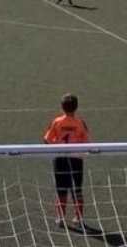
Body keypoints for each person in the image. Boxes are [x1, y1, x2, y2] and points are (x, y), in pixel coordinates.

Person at [43, 93, 91, 228]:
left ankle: (61, 217)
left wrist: (54, 148)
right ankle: (79, 218)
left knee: (61, 189)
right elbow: (86, 142)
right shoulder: (80, 123)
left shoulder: (57, 122)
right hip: (76, 159)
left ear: (62, 107)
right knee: (77, 189)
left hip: (60, 159)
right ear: (76, 107)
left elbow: (46, 139)